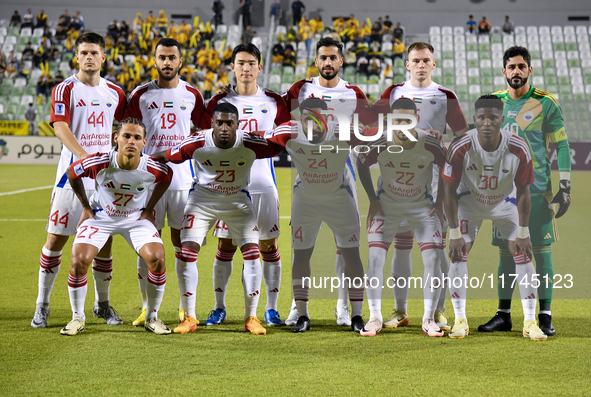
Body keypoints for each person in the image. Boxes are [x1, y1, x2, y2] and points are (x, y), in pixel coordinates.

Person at [152, 102, 284, 335]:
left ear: (237, 125)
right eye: (219, 123)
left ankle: (251, 318)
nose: (224, 128)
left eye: (229, 123)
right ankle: (189, 317)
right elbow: (167, 155)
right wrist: (140, 166)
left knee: (252, 253)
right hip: (203, 200)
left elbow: (277, 145)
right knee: (187, 251)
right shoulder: (197, 142)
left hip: (238, 200)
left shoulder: (250, 142)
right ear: (211, 124)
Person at [30, 32, 127, 329]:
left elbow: (123, 130)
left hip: (104, 181)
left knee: (105, 244)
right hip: (71, 177)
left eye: (94, 52)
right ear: (76, 57)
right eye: (83, 52)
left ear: (103, 57)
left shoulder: (116, 93)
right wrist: (86, 157)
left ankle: (102, 304)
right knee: (55, 241)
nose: (88, 57)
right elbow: (59, 127)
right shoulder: (65, 89)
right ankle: (42, 305)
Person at [371, 41, 468, 332]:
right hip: (397, 185)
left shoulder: (445, 96)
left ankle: (437, 312)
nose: (422, 65)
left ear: (433, 64)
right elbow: (369, 125)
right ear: (407, 65)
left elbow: (463, 138)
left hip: (435, 185)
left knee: (436, 253)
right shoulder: (394, 94)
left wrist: (441, 143)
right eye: (416, 60)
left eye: (426, 60)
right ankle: (400, 311)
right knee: (402, 247)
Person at [283, 37, 377, 327]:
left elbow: (371, 129)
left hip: (342, 176)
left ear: (341, 60)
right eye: (322, 58)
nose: (327, 63)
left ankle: (344, 307)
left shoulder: (353, 93)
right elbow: (280, 119)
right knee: (303, 250)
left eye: (332, 58)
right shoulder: (300, 89)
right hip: (308, 175)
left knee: (345, 248)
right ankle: (298, 308)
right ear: (316, 61)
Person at [479, 46, 571, 336]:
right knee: (506, 255)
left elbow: (562, 145)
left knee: (541, 252)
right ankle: (503, 314)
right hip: (501, 193)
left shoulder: (546, 103)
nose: (516, 71)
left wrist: (565, 185)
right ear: (503, 71)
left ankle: (544, 314)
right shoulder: (493, 103)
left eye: (521, 66)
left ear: (529, 70)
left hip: (536, 190)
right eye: (511, 67)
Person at [199, 44, 291, 326]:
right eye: (241, 63)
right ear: (233, 67)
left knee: (268, 246)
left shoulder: (274, 101)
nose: (246, 68)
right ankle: (219, 307)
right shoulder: (218, 102)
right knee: (225, 246)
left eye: (251, 63)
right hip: (229, 187)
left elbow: (285, 136)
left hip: (263, 185)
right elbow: (204, 141)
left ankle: (271, 309)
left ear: (259, 67)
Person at [443, 95, 547, 341]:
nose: (487, 122)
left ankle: (530, 321)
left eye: (492, 117)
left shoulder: (518, 147)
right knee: (458, 253)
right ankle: (460, 320)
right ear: (475, 120)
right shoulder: (460, 146)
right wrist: (455, 233)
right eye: (481, 117)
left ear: (502, 119)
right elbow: (448, 191)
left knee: (524, 254)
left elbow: (523, 191)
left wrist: (523, 231)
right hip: (469, 202)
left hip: (505, 202)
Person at [59, 118, 172, 335]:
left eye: (137, 137)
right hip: (101, 217)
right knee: (79, 260)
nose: (131, 141)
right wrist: (85, 206)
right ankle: (77, 318)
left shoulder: (152, 167)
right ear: (116, 138)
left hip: (135, 219)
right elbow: (72, 172)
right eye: (126, 136)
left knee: (157, 259)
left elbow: (167, 177)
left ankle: (152, 318)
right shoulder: (101, 162)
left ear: (144, 142)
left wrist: (148, 209)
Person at [267, 98, 368, 333]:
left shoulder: (343, 131)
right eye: (306, 118)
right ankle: (302, 314)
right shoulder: (288, 132)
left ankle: (356, 315)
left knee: (351, 255)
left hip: (340, 197)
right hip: (306, 199)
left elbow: (378, 133)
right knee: (301, 255)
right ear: (299, 119)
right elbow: (257, 139)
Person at [125, 38, 205, 328]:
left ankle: (186, 307)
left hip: (185, 182)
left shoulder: (193, 94)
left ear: (180, 62)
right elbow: (127, 134)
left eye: (172, 57)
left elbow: (205, 134)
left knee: (182, 245)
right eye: (162, 57)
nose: (167, 62)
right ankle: (147, 307)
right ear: (154, 60)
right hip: (148, 183)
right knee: (146, 244)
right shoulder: (141, 95)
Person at [357, 98, 447, 337]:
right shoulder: (379, 141)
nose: (403, 126)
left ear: (416, 120)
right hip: (387, 206)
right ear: (390, 121)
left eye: (408, 121)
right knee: (375, 259)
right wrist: (373, 200)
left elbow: (449, 167)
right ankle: (374, 316)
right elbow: (361, 163)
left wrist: (439, 203)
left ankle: (428, 318)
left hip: (422, 207)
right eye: (398, 121)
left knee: (433, 260)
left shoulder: (431, 144)